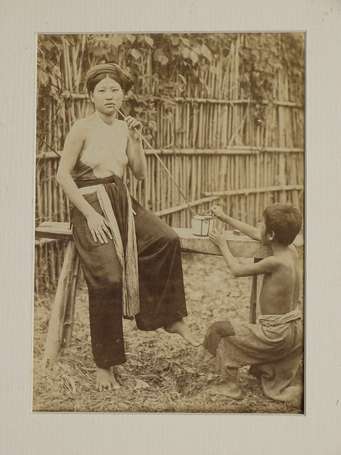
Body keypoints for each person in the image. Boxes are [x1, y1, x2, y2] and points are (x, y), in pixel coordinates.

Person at [56, 62, 199, 392]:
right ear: (91, 95)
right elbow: (63, 175)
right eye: (102, 90)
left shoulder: (124, 128)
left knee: (166, 239)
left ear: (123, 95)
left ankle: (168, 317)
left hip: (122, 200)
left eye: (115, 89)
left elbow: (139, 173)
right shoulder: (82, 128)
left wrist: (135, 139)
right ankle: (105, 364)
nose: (109, 95)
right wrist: (90, 216)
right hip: (90, 203)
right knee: (108, 277)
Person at [204, 203, 303, 402]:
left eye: (262, 223)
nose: (259, 226)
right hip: (296, 332)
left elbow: (236, 270)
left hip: (276, 335)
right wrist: (225, 217)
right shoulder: (291, 250)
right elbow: (258, 234)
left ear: (272, 235)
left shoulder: (274, 262)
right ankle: (267, 365)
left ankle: (230, 386)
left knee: (219, 331)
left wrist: (222, 244)